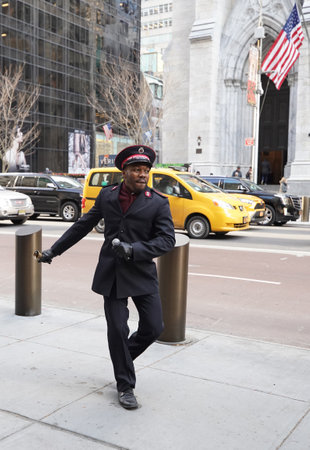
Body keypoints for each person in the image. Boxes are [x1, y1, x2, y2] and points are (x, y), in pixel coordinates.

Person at [37, 145, 176, 410]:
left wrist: (134, 250)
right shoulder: (107, 196)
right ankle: (125, 385)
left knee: (154, 327)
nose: (142, 175)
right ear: (124, 172)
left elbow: (167, 240)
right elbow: (82, 225)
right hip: (112, 274)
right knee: (117, 330)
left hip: (142, 273)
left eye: (145, 170)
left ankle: (122, 359)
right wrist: (54, 250)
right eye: (136, 170)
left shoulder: (158, 202)